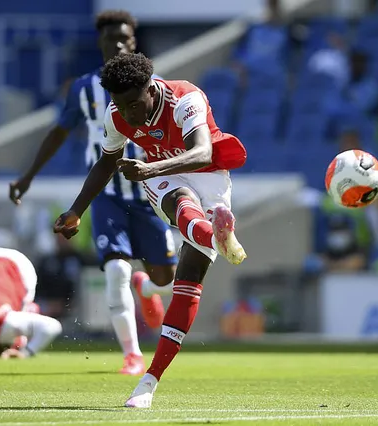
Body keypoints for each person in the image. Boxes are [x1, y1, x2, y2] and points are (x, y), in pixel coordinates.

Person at [52, 52, 248, 408]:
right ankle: (147, 382)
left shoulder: (184, 98)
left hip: (209, 175)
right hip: (164, 179)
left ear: (150, 90)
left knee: (188, 282)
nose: (127, 114)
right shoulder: (116, 116)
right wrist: (76, 210)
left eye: (132, 104)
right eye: (119, 105)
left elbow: (202, 152)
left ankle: (209, 236)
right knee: (181, 200)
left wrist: (150, 168)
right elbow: (107, 161)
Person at [9, 10, 178, 376]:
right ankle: (132, 354)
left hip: (151, 192)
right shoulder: (85, 89)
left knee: (169, 280)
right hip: (107, 194)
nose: (118, 43)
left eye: (125, 38)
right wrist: (28, 176)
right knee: (115, 268)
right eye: (110, 38)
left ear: (135, 42)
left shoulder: (158, 87)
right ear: (100, 43)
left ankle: (147, 288)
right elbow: (58, 132)